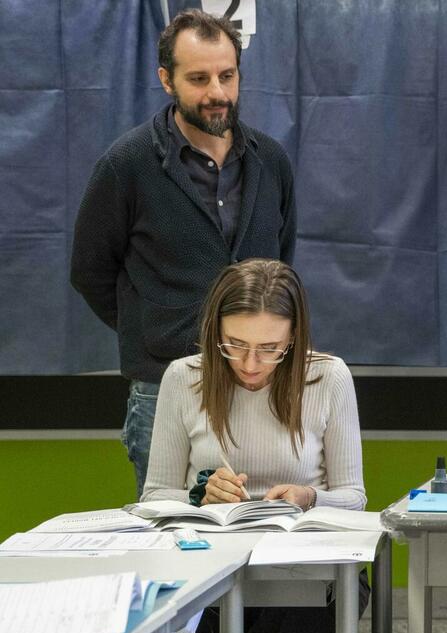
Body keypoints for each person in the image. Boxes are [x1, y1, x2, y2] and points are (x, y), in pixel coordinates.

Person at [70, 8, 296, 498]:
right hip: (164, 390)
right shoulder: (126, 165)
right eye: (198, 78)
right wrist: (154, 326)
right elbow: (90, 271)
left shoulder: (270, 161)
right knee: (172, 535)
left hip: (258, 387)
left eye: (227, 75)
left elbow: (282, 267)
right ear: (166, 80)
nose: (217, 92)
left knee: (265, 534)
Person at [141, 259, 365, 633]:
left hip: (302, 563)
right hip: (203, 561)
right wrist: (197, 495)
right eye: (234, 344)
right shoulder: (184, 378)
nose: (249, 364)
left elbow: (354, 498)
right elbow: (154, 496)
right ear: (214, 332)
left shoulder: (328, 377)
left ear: (295, 336)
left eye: (269, 348)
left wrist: (309, 497)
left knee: (308, 632)